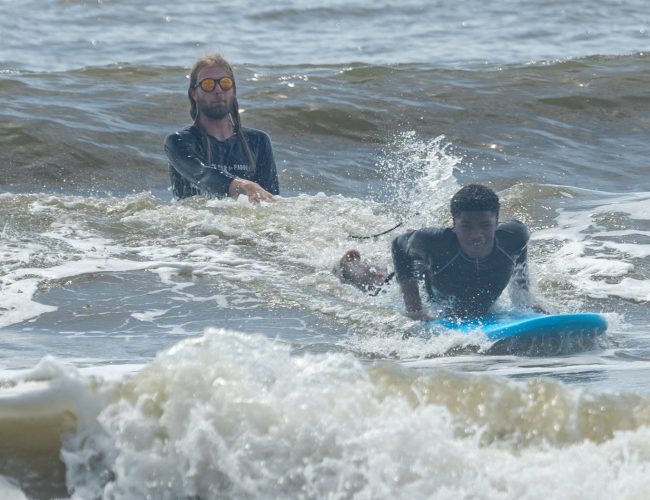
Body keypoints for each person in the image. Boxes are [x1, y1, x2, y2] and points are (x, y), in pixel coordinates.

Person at [335, 184, 543, 319]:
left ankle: (417, 251)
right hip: (432, 275)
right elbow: (398, 245)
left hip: (437, 261)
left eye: (485, 225)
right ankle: (349, 265)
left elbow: (519, 257)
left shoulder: (515, 235)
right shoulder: (435, 241)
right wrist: (414, 308)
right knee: (378, 282)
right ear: (454, 224)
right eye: (466, 226)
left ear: (497, 221)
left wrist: (523, 302)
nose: (476, 234)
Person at [164, 54, 279, 203]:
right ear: (194, 94)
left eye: (225, 83)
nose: (218, 90)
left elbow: (272, 201)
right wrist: (245, 186)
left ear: (233, 90)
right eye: (208, 84)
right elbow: (202, 174)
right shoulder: (178, 142)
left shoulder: (258, 142)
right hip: (195, 224)